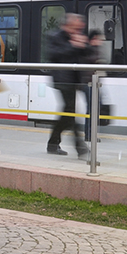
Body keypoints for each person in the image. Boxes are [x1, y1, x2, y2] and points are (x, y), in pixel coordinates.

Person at [46, 13, 89, 158]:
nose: (77, 30)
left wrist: (85, 45)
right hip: (62, 81)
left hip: (74, 80)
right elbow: (54, 54)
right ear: (67, 25)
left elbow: (84, 54)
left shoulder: (75, 36)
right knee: (71, 113)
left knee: (67, 114)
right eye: (74, 27)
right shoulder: (56, 36)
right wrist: (74, 45)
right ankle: (80, 147)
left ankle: (53, 143)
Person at [82, 29, 105, 141]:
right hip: (89, 82)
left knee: (94, 107)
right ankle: (89, 134)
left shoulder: (93, 49)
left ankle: (91, 133)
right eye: (98, 39)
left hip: (94, 82)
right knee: (92, 107)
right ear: (93, 39)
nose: (100, 41)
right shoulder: (88, 49)